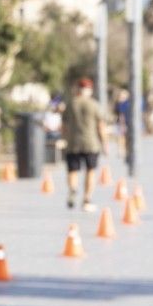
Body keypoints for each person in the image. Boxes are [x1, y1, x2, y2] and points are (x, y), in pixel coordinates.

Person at [61, 78, 109, 212]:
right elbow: (101, 126)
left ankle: (73, 189)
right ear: (90, 90)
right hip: (91, 143)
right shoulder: (94, 105)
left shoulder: (70, 104)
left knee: (72, 170)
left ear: (78, 89)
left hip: (73, 143)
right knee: (90, 171)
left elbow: (64, 126)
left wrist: (64, 139)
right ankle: (87, 199)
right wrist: (105, 143)